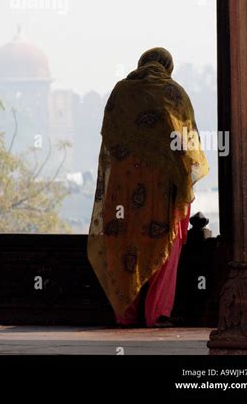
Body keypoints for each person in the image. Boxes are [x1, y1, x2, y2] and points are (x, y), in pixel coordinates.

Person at [87, 47, 209, 328]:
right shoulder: (173, 93)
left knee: (124, 245)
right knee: (164, 245)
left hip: (123, 188)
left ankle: (125, 315)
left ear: (141, 64)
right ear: (168, 66)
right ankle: (157, 313)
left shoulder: (121, 92)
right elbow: (188, 144)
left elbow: (109, 136)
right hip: (161, 189)